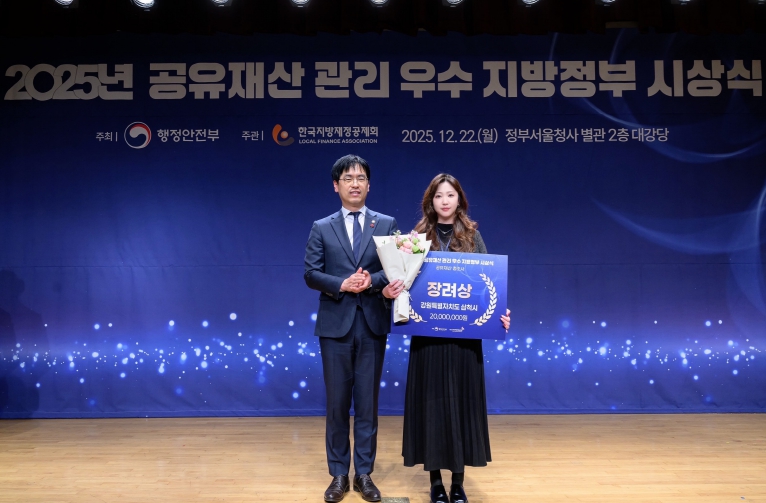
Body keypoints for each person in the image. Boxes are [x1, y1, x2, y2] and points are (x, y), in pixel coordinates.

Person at [402, 174, 511, 503]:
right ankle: (436, 482)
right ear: (430, 201)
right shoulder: (416, 238)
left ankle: (458, 482)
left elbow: (489, 285)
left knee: (462, 405)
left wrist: (500, 315)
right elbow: (402, 285)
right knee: (432, 406)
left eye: (450, 195)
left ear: (459, 200)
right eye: (438, 196)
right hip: (428, 340)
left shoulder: (473, 236)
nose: (445, 201)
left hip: (465, 341)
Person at [305, 154, 405, 503]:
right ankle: (338, 475)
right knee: (336, 404)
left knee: (367, 404)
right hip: (335, 325)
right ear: (336, 186)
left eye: (360, 178)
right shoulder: (321, 227)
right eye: (347, 178)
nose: (355, 184)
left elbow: (398, 267)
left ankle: (364, 474)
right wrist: (342, 284)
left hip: (372, 323)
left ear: (369, 185)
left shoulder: (387, 223)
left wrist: (371, 281)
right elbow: (311, 273)